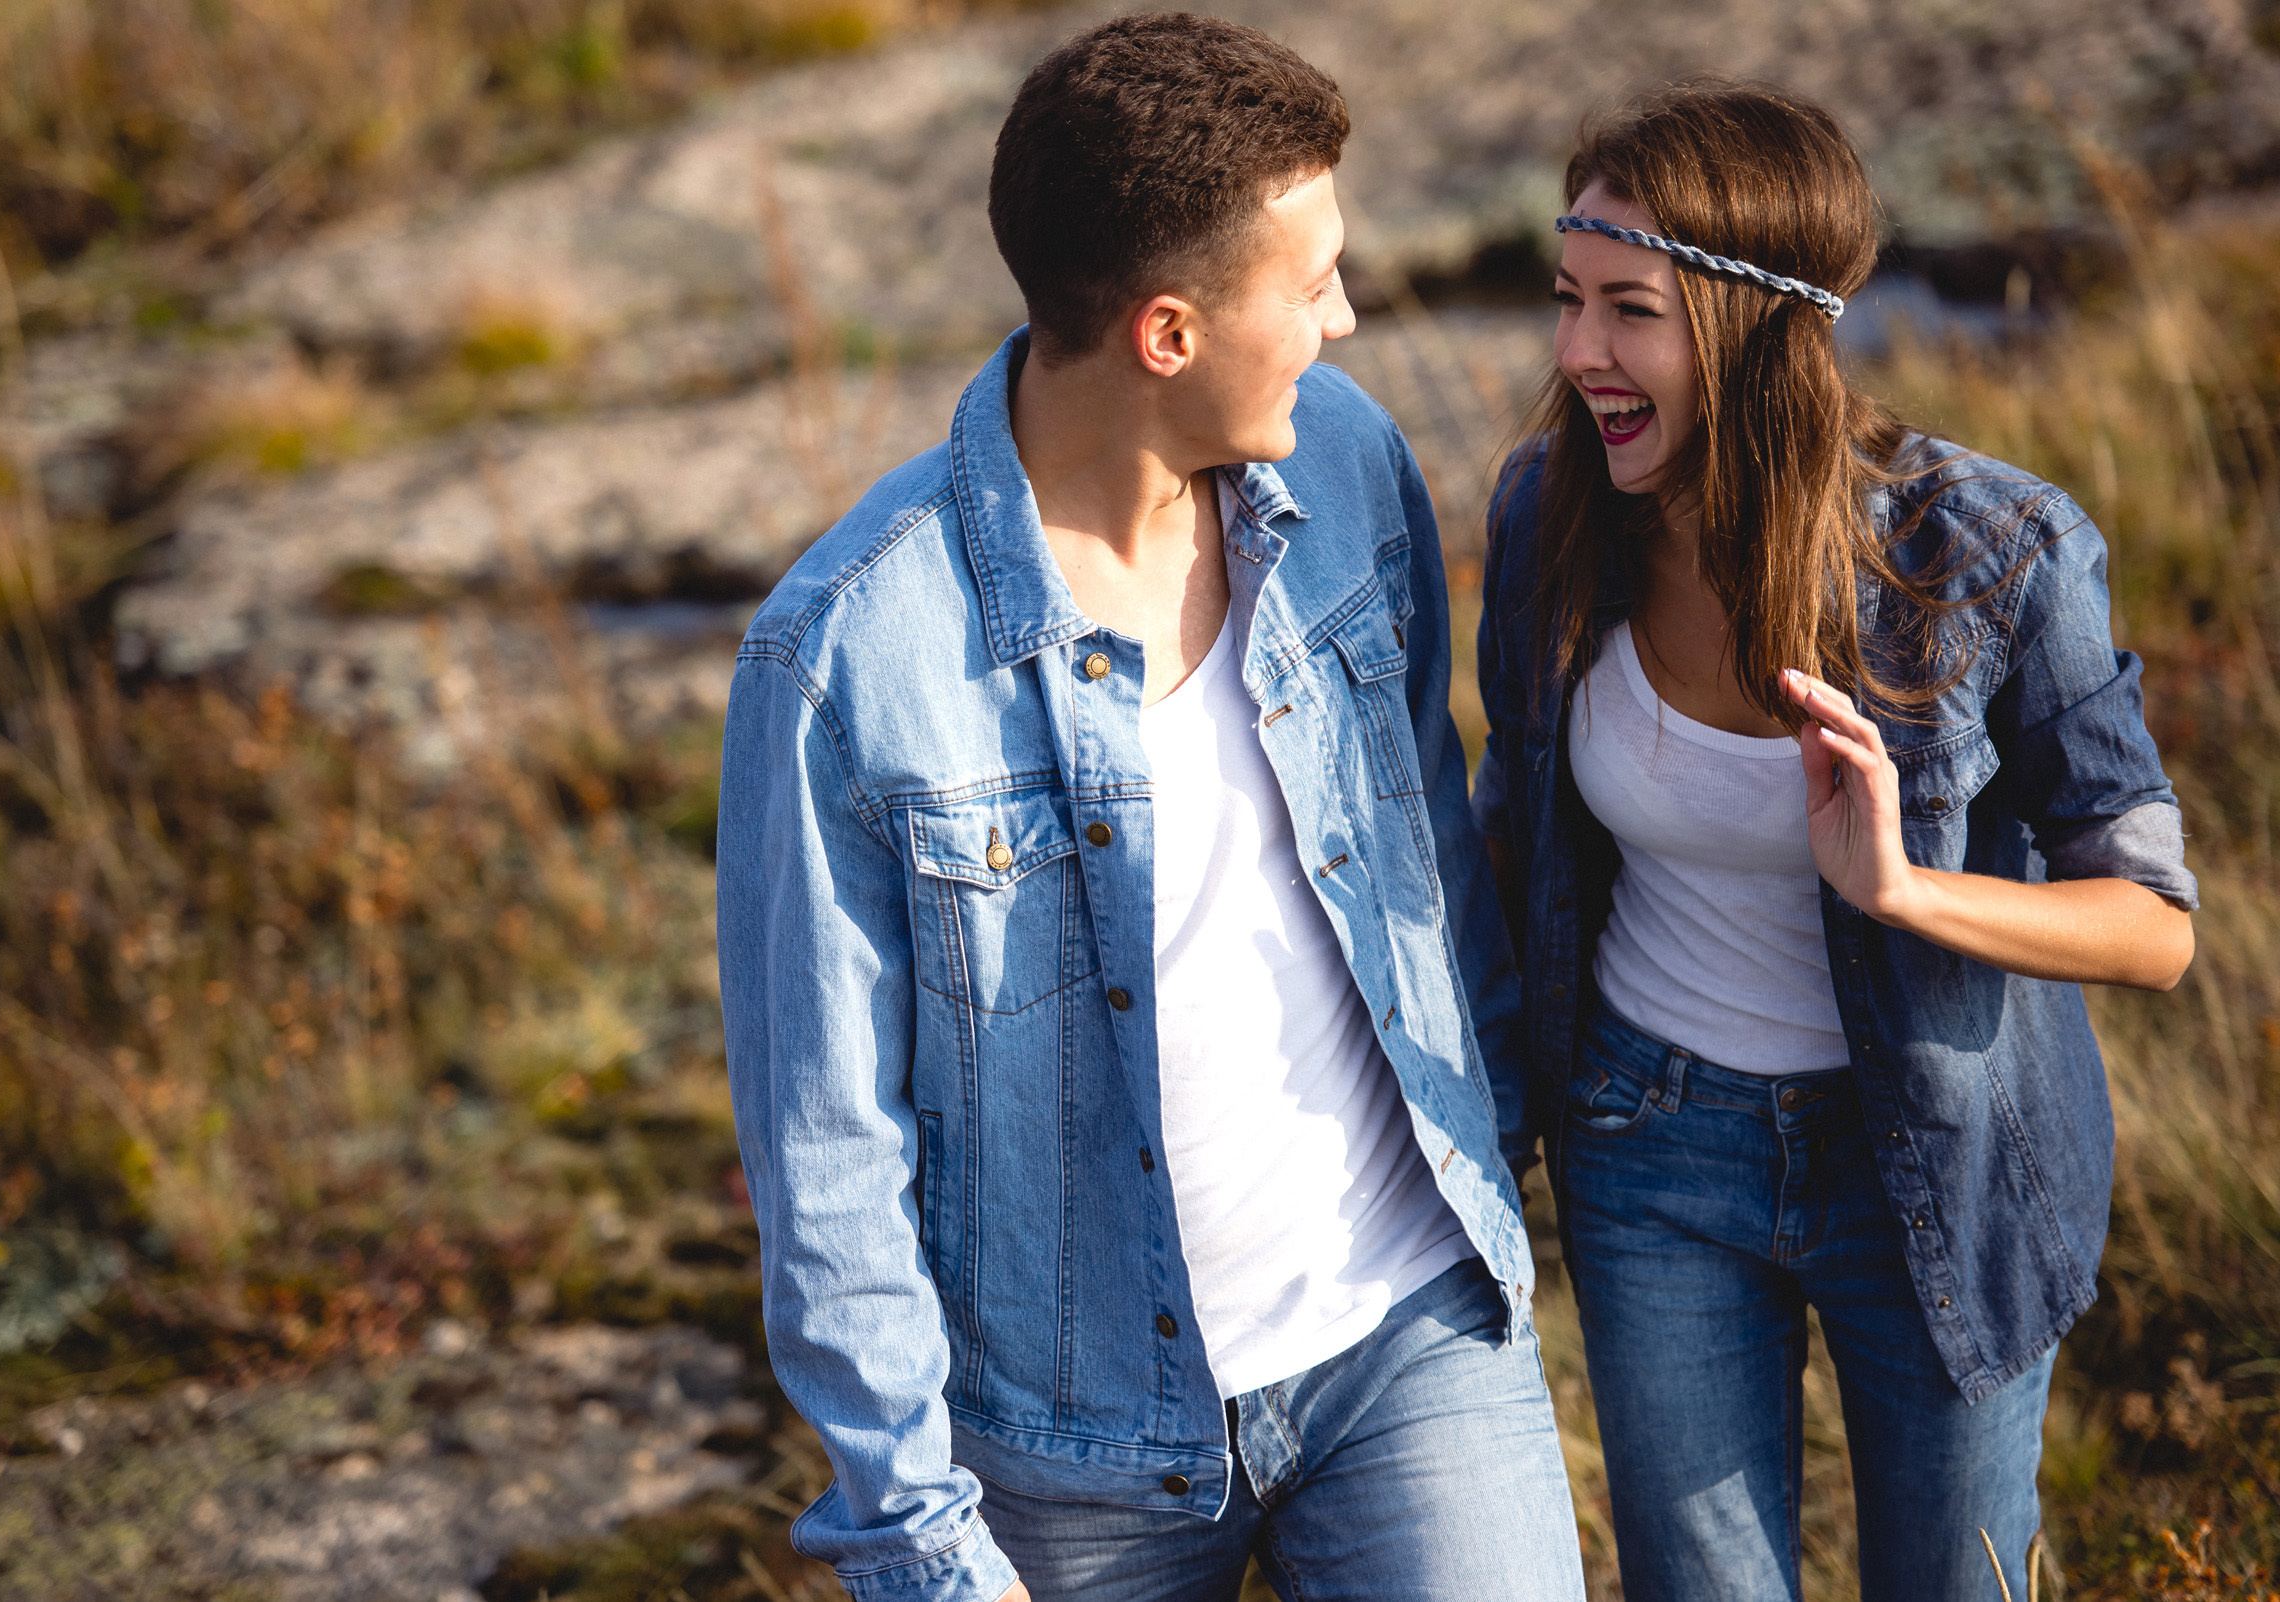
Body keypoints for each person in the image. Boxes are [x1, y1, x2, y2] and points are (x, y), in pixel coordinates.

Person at [718, 14, 1584, 1602]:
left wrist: (1495, 1138)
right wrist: (923, 1544)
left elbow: (1427, 838)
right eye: (1306, 282)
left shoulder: (1346, 466)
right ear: (1168, 332)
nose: (1339, 317)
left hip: (1400, 1333)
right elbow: (828, 1152)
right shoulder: (848, 656)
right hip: (1064, 1450)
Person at [1475, 81, 2198, 1602]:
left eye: (1628, 311)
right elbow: (1515, 833)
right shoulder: (1551, 514)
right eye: (1567, 301)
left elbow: (2154, 921)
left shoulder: (1992, 553)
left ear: (1754, 328)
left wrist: (1903, 889)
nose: (1578, 354)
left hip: (1934, 1153)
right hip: (1648, 1145)